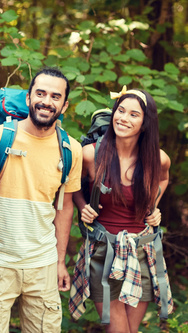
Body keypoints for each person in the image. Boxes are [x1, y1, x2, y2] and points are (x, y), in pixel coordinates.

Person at [0, 67, 83, 332]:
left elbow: (65, 209)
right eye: (40, 93)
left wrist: (59, 262)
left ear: (64, 105)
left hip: (42, 265)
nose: (47, 101)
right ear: (28, 98)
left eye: (55, 96)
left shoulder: (71, 150)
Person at [69, 86, 173, 332]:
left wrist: (153, 206)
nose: (123, 118)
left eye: (133, 114)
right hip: (103, 252)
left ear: (145, 123)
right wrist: (83, 207)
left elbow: (163, 179)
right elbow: (72, 186)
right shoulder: (90, 155)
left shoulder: (158, 159)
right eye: (121, 111)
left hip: (143, 252)